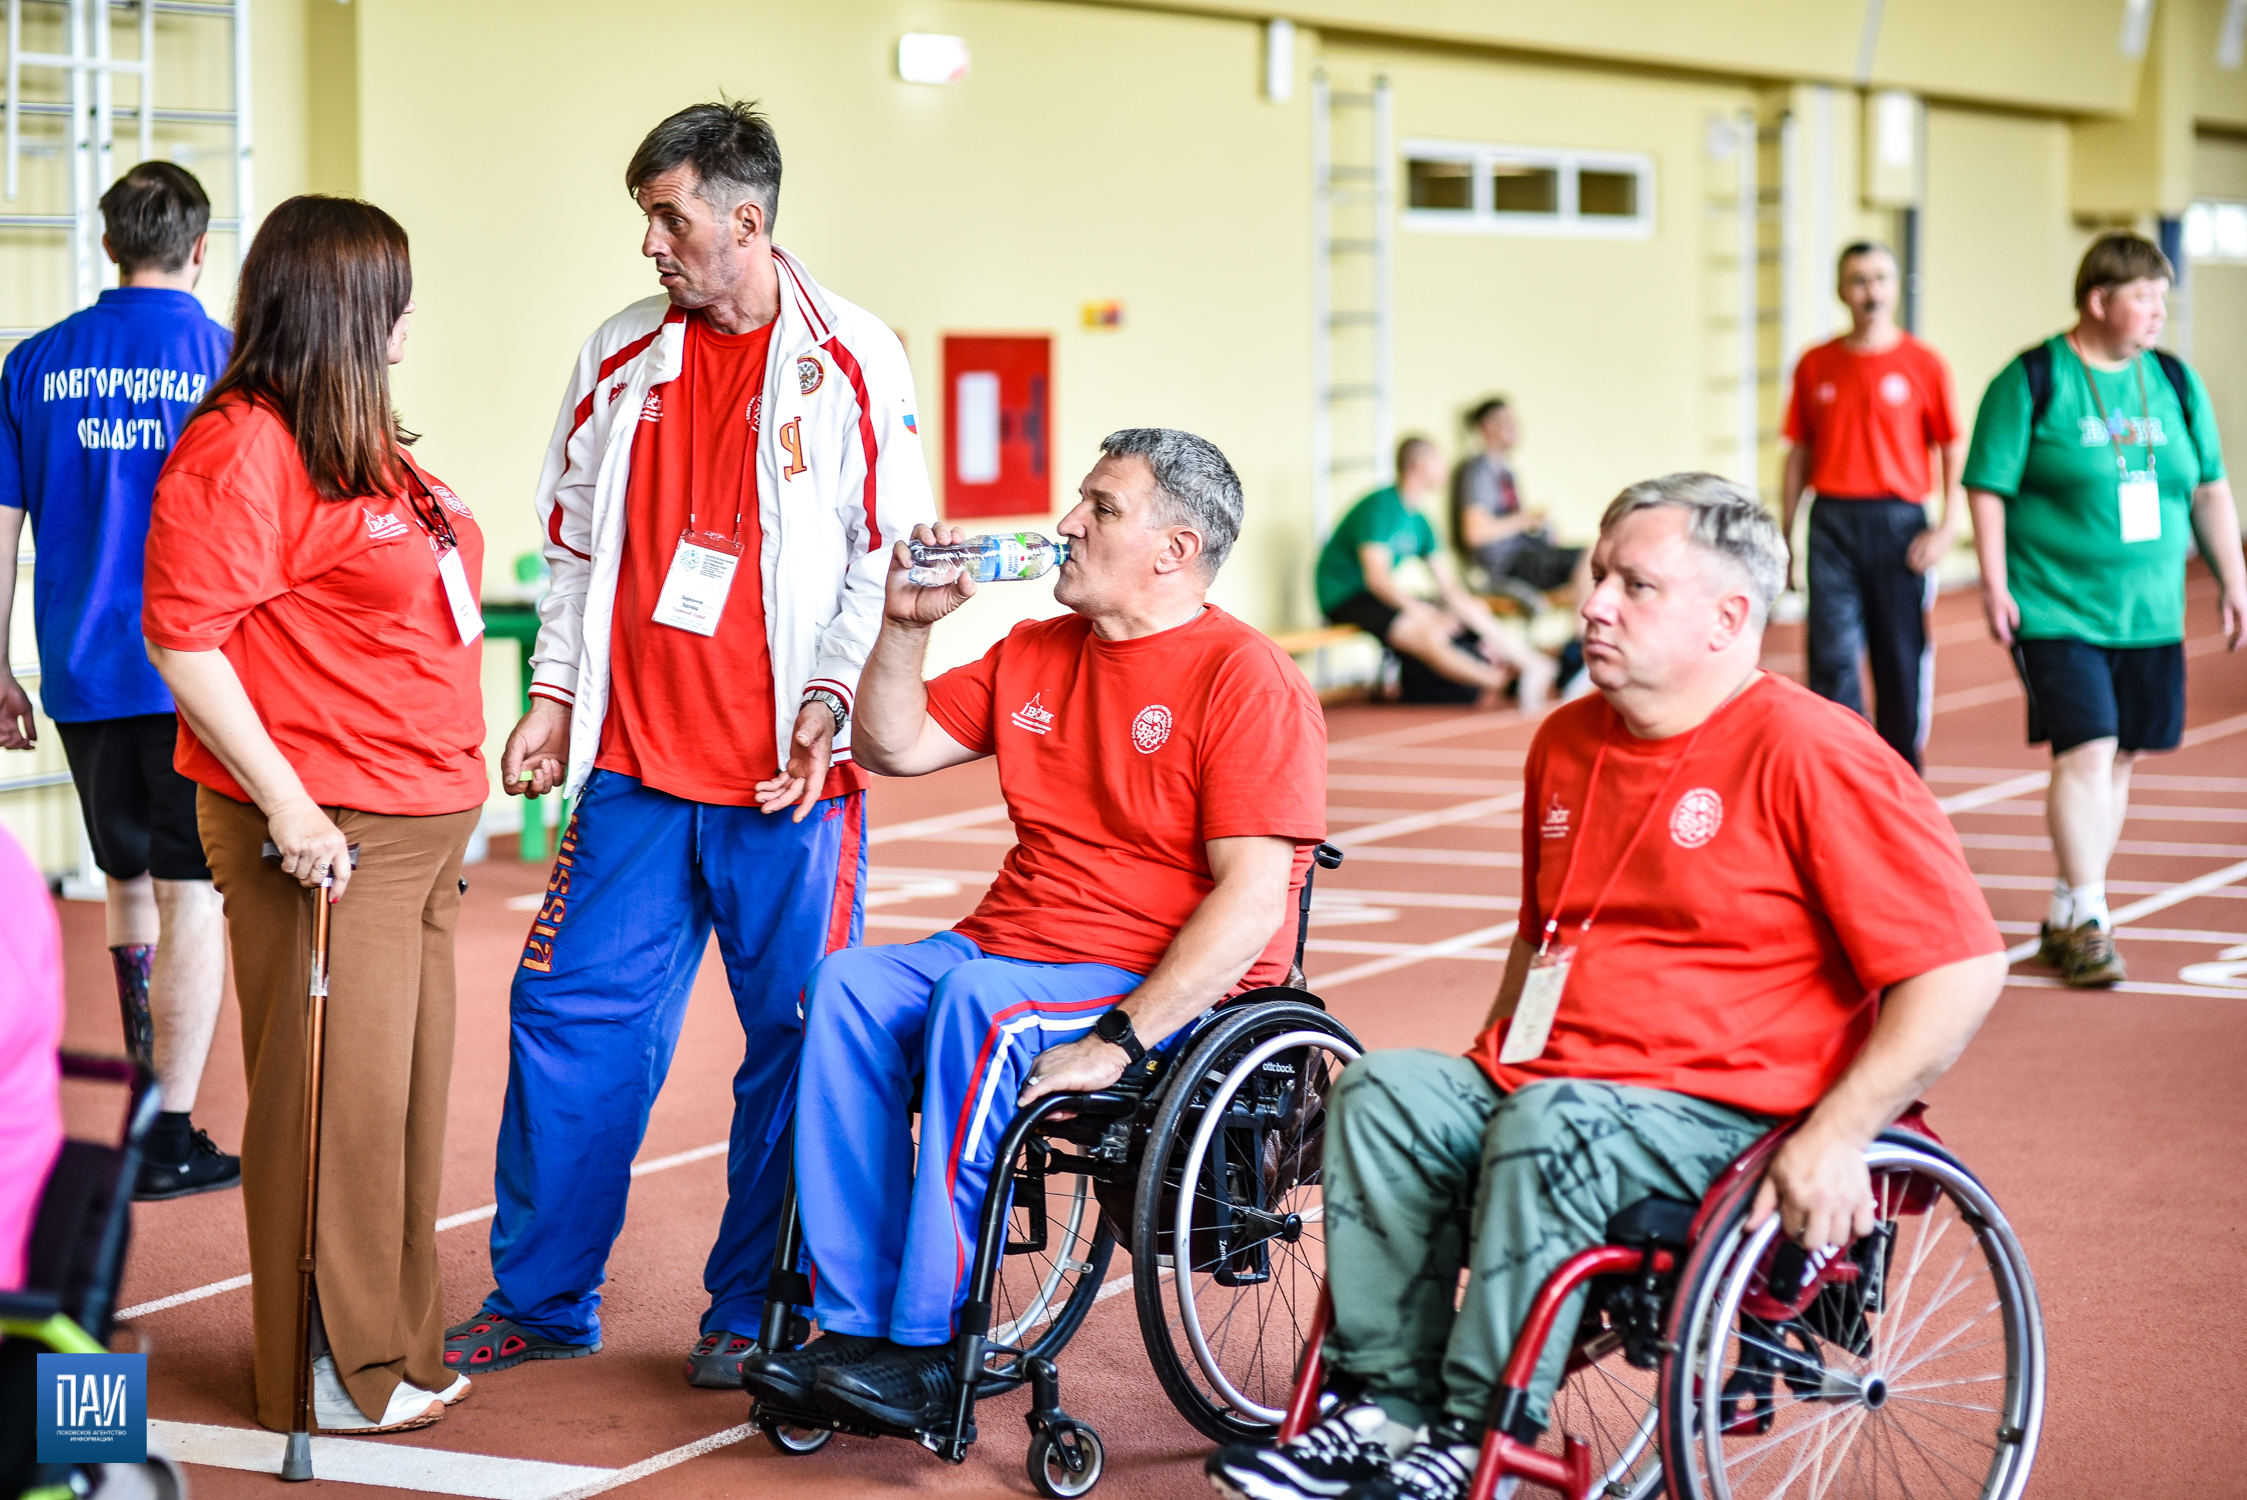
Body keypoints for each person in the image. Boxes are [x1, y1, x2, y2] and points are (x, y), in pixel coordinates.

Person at [1208, 473, 2007, 1500]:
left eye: (1635, 585)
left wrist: (1842, 1132)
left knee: (1551, 1122)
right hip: (1555, 1084)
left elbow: (1963, 965)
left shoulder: (1814, 751)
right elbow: (1541, 942)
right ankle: (1385, 1408)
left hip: (1725, 1112)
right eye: (1596, 577)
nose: (1593, 603)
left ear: (1729, 618)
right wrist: (1478, 1073)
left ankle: (1471, 1434)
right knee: (1381, 1090)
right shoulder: (1568, 741)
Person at [448, 99, 931, 1391]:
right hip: (632, 774)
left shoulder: (858, 358)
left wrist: (829, 704)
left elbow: (877, 560)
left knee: (794, 1044)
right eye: (645, 218)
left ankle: (748, 1308)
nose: (650, 244)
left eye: (668, 217)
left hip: (788, 784)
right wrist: (554, 696)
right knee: (567, 1020)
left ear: (745, 219)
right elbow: (567, 540)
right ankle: (542, 1298)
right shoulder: (619, 353)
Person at [740, 429, 1327, 1431]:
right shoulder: (1035, 652)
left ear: (1173, 549)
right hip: (1012, 946)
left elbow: (1253, 902)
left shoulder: (1244, 677)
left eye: (1099, 508)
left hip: (1150, 981)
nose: (1065, 525)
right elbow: (891, 742)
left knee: (979, 1005)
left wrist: (1121, 1039)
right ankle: (851, 1325)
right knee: (842, 985)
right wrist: (905, 627)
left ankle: (927, 1343)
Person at [143, 194, 485, 1434]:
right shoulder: (242, 445)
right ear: (344, 307)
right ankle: (331, 1370)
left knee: (398, 1106)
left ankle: (395, 1340)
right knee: (333, 1106)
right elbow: (184, 638)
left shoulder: (353, 436)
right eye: (393, 294)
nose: (409, 317)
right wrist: (290, 807)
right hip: (329, 832)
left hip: (417, 832)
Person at [0, 161, 235, 1201]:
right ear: (198, 247)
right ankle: (170, 1133)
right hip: (202, 675)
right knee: (196, 893)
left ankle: (149, 1101)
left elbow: (1, 533)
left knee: (125, 881)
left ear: (106, 247)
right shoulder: (232, 360)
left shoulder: (35, 364)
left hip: (84, 667)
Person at [1964, 231, 2247, 989]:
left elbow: (2209, 488)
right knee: (2086, 749)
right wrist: (1993, 581)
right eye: (2143, 297)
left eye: (2163, 297)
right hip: (2053, 606)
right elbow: (1987, 485)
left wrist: (2233, 576)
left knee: (2120, 756)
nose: (2158, 312)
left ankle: (2063, 909)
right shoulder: (2030, 380)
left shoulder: (2176, 384)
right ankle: (2091, 917)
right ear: (2098, 300)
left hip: (2149, 611)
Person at [1779, 241, 1965, 773]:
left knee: (1898, 660)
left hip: (1899, 522)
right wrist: (1786, 536)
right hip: (1832, 520)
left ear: (1895, 286)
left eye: (1881, 278)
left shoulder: (1923, 364)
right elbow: (1797, 453)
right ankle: (1844, 771)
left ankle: (1902, 776)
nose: (1871, 291)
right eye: (1859, 280)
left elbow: (1952, 446)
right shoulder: (1816, 364)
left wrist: (1950, 524)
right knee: (1831, 656)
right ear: (1842, 290)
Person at [1320, 436, 1558, 710]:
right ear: (1419, 465)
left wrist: (1459, 610)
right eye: (1438, 460)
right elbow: (1377, 580)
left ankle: (1527, 662)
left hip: (1376, 593)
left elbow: (1449, 586)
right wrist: (1426, 612)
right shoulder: (1379, 508)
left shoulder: (1420, 520)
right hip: (1345, 595)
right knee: (1427, 632)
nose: (1444, 467)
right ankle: (1504, 684)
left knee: (1471, 607)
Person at [1450, 397, 1587, 605]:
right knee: (1587, 559)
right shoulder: (1479, 470)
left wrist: (1541, 532)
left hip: (1523, 555)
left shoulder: (1507, 473)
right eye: (1506, 422)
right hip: (1504, 565)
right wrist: (1523, 520)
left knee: (1596, 559)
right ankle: (1577, 635)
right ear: (1486, 427)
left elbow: (1515, 525)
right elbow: (1474, 533)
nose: (1514, 427)